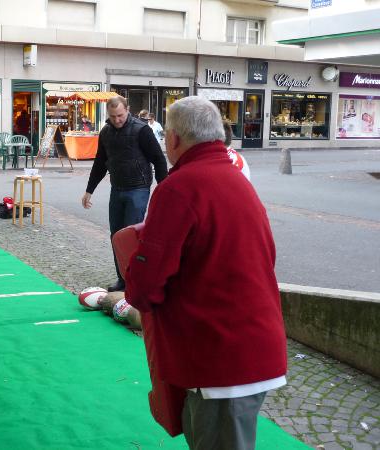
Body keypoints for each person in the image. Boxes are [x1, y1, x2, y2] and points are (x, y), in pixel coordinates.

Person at [125, 96, 287, 450]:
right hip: (252, 348)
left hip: (220, 360)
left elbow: (145, 286)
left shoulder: (179, 188)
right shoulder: (238, 181)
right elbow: (265, 257)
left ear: (173, 138)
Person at [81, 96, 167, 292]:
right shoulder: (106, 132)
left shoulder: (141, 130)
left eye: (120, 115)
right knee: (116, 236)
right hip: (117, 188)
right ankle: (122, 279)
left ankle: (134, 282)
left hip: (138, 188)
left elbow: (158, 159)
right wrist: (89, 190)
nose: (117, 120)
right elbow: (100, 162)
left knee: (130, 237)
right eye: (113, 116)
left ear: (127, 110)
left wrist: (163, 188)